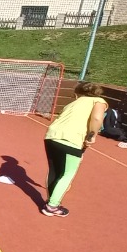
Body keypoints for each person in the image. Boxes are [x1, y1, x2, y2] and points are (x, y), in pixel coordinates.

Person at [41, 82, 107, 216]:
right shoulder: (99, 101)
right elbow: (96, 118)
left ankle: (51, 200)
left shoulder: (72, 104)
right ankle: (52, 206)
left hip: (51, 136)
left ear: (78, 93)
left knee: (55, 171)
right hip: (71, 140)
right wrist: (92, 136)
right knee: (67, 174)